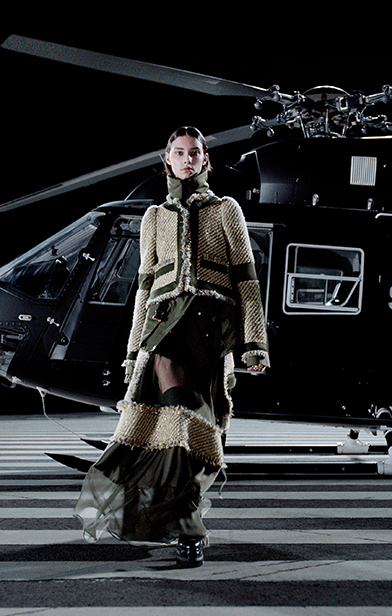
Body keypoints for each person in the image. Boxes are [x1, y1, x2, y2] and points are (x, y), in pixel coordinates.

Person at [74, 126, 270, 567]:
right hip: (164, 333)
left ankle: (176, 516)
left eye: (194, 152)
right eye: (178, 153)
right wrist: (132, 352)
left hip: (210, 334)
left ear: (205, 159)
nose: (186, 160)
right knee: (176, 425)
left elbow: (247, 281)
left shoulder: (227, 210)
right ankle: (188, 532)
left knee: (202, 436)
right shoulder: (153, 217)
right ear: (167, 159)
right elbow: (144, 288)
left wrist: (254, 343)